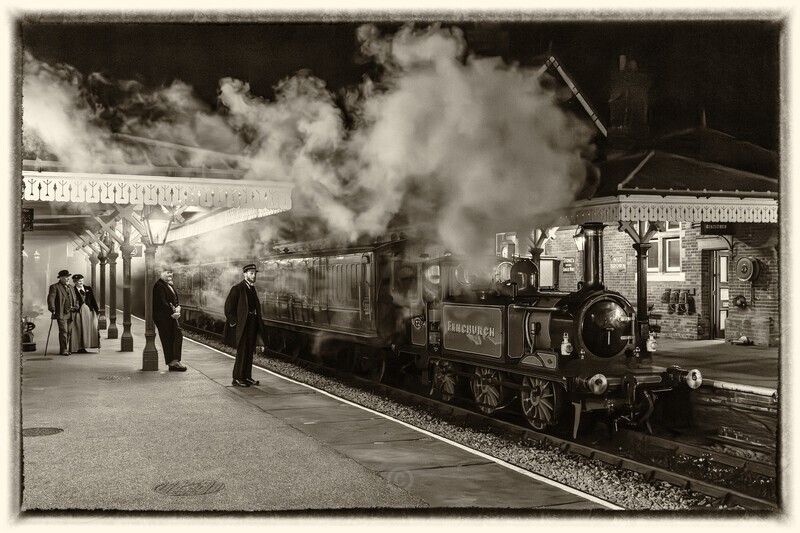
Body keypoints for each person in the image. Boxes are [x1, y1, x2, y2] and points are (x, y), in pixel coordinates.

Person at [224, 263, 265, 387]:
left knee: (249, 352)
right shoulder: (237, 288)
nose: (253, 276)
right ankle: (237, 378)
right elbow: (228, 308)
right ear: (245, 274)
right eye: (251, 273)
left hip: (252, 325)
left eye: (254, 273)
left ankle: (247, 376)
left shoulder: (252, 288)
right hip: (242, 327)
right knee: (242, 352)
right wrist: (235, 323)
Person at [152, 267, 186, 371]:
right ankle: (173, 362)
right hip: (164, 317)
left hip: (170, 316)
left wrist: (178, 307)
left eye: (171, 272)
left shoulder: (168, 285)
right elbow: (163, 303)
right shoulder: (159, 286)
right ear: (161, 273)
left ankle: (174, 361)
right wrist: (173, 313)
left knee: (176, 336)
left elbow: (175, 300)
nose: (170, 274)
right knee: (168, 338)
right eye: (167, 272)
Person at [47, 269, 78, 356]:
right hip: (61, 313)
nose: (68, 279)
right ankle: (64, 349)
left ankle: (66, 348)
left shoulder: (71, 287)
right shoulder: (54, 287)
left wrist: (76, 306)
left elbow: (75, 298)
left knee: (69, 331)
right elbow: (51, 298)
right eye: (66, 277)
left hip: (71, 313)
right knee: (63, 331)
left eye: (68, 277)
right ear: (60, 278)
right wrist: (52, 308)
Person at [70, 274, 100, 353]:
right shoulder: (72, 290)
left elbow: (93, 299)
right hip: (78, 312)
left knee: (90, 328)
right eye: (79, 281)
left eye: (82, 281)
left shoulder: (88, 288)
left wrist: (97, 310)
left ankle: (88, 345)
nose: (81, 282)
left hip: (89, 312)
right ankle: (80, 348)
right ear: (75, 282)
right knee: (79, 329)